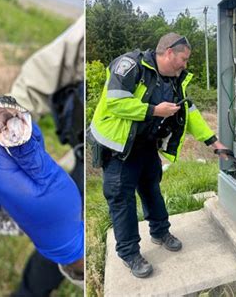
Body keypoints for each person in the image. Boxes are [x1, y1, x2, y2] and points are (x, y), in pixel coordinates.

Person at [89, 33, 228, 278]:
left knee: (152, 189)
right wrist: (154, 110)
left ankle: (160, 232)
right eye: (183, 59)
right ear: (168, 52)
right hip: (119, 148)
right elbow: (114, 102)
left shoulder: (174, 80)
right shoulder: (130, 65)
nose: (186, 65)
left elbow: (189, 111)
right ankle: (129, 253)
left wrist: (213, 141)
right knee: (122, 200)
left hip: (145, 145)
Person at [0, 15, 84, 295]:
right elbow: (36, 78)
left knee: (72, 241)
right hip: (84, 161)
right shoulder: (86, 27)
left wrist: (76, 254)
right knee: (46, 260)